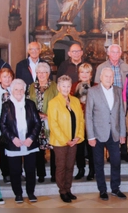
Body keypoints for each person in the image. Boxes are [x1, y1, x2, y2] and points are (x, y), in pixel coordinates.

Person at [86, 67, 127, 201]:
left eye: (111, 76)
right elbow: (88, 115)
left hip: (114, 133)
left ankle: (115, 188)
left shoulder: (118, 91)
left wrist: (122, 133)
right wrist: (90, 136)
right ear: (101, 77)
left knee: (116, 161)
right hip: (97, 134)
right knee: (98, 163)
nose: (109, 79)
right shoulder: (92, 91)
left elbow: (121, 113)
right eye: (106, 76)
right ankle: (102, 190)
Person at [0, 79, 41, 204]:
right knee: (15, 170)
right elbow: (2, 125)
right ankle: (18, 193)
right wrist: (13, 138)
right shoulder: (6, 105)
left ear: (25, 91)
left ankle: (30, 192)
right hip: (14, 143)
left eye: (21, 89)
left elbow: (37, 123)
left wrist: (31, 138)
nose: (19, 92)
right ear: (11, 90)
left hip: (29, 143)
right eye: (16, 89)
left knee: (30, 169)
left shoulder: (30, 104)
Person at [48, 75, 84, 203]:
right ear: (58, 87)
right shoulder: (53, 103)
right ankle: (62, 191)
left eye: (68, 86)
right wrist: (66, 140)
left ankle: (68, 189)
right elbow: (53, 124)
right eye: (63, 86)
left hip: (74, 141)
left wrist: (78, 136)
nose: (66, 88)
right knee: (61, 167)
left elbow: (80, 120)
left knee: (70, 166)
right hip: (60, 142)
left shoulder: (75, 101)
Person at [94, 44, 128, 162]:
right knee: (110, 124)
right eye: (113, 52)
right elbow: (96, 85)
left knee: (122, 123)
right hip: (107, 100)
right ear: (108, 53)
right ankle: (112, 151)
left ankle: (124, 151)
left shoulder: (125, 66)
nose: (115, 54)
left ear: (121, 53)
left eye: (117, 52)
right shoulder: (101, 67)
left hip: (122, 98)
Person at [28, 62, 58, 183]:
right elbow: (28, 103)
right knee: (38, 150)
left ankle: (54, 174)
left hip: (50, 121)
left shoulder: (55, 86)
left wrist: (48, 115)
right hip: (36, 122)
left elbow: (58, 103)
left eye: (44, 72)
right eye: (38, 72)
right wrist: (35, 114)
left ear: (48, 73)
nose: (41, 75)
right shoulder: (31, 86)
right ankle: (40, 174)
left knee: (53, 149)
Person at [70, 63, 97, 181]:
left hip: (93, 122)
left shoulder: (96, 87)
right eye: (82, 72)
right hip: (79, 122)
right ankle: (81, 169)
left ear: (91, 75)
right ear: (79, 74)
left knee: (92, 148)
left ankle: (92, 170)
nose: (84, 75)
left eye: (87, 72)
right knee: (79, 147)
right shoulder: (74, 86)